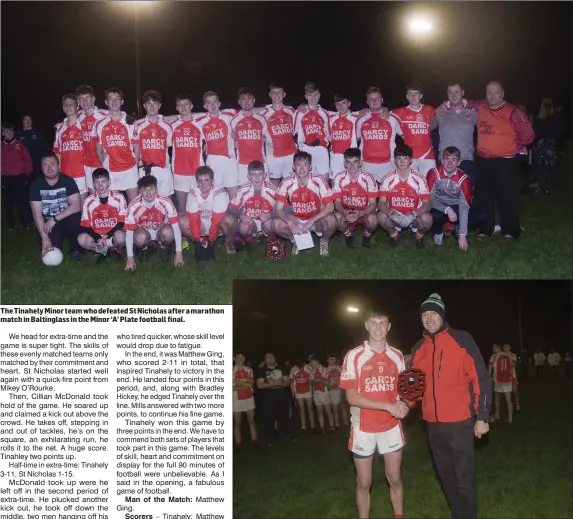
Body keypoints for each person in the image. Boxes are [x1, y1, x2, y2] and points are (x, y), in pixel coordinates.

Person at [409, 293, 491, 519]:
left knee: (464, 479)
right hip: (433, 427)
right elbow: (414, 388)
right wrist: (401, 404)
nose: (429, 318)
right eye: (424, 314)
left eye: (433, 313)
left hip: (460, 423)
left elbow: (480, 378)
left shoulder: (461, 339)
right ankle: (458, 514)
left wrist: (482, 416)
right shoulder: (418, 349)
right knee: (446, 478)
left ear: (442, 316)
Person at [340, 308, 409, 519]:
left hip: (391, 427)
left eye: (382, 323)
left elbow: (404, 391)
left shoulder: (397, 355)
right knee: (364, 481)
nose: (378, 327)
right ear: (366, 325)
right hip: (363, 427)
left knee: (395, 477)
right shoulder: (354, 356)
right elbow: (352, 397)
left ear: (389, 327)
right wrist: (388, 406)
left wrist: (405, 404)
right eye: (373, 322)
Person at [470, 81, 535, 240]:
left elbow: (528, 136)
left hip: (505, 162)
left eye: (496, 92)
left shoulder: (513, 112)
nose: (492, 96)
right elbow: (462, 103)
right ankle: (486, 228)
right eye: (489, 92)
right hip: (484, 161)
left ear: (503, 94)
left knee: (507, 197)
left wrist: (514, 146)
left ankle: (511, 230)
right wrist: (446, 103)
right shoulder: (480, 107)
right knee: (484, 196)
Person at [274, 151, 337, 256]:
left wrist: (311, 221)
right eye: (298, 165)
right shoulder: (286, 183)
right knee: (276, 224)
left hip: (316, 219)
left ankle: (324, 241)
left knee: (332, 220)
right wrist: (290, 223)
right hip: (297, 220)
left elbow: (330, 207)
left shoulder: (318, 181)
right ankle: (296, 241)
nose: (302, 168)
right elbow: (278, 209)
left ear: (310, 167)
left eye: (305, 164)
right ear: (293, 167)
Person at [426, 146, 486, 250]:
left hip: (457, 207)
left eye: (453, 160)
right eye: (447, 159)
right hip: (439, 207)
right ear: (441, 160)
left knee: (481, 216)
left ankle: (457, 228)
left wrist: (462, 235)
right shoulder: (433, 173)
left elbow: (464, 207)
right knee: (433, 215)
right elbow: (430, 199)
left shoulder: (464, 179)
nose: (449, 163)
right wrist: (447, 209)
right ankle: (438, 231)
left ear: (459, 163)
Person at [28, 154, 83, 262]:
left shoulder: (68, 181)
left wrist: (55, 219)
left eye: (52, 164)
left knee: (76, 220)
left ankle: (75, 249)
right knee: (52, 248)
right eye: (45, 165)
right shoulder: (35, 185)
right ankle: (54, 239)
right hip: (47, 222)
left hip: (65, 218)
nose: (49, 168)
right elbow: (37, 215)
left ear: (58, 166)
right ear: (41, 168)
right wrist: (44, 238)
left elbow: (76, 206)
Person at [377, 145, 432, 249]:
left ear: (411, 160)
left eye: (405, 158)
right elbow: (381, 203)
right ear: (395, 160)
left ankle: (419, 236)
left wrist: (413, 215)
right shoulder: (387, 178)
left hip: (413, 217)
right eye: (399, 158)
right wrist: (392, 214)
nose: (402, 161)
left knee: (427, 219)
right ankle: (394, 235)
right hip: (395, 216)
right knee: (381, 216)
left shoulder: (419, 179)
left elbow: (427, 204)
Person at [124, 175, 184, 270]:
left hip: (161, 231)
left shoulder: (166, 202)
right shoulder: (133, 206)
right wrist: (130, 258)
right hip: (144, 232)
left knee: (168, 231)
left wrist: (179, 252)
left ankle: (164, 248)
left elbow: (176, 227)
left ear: (156, 189)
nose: (148, 193)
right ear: (139, 191)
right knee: (139, 237)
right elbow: (129, 232)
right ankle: (144, 249)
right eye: (144, 190)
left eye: (151, 189)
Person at [94, 87, 140, 203]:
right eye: (111, 99)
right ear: (106, 102)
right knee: (115, 205)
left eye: (117, 98)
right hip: (111, 170)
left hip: (129, 169)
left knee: (133, 204)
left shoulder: (130, 121)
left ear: (122, 102)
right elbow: (98, 148)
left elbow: (136, 144)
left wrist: (135, 164)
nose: (114, 102)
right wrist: (104, 164)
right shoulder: (100, 124)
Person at [224, 160, 278, 251]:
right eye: (253, 175)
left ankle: (271, 239)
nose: (257, 178)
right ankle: (248, 238)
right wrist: (242, 216)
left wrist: (270, 215)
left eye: (260, 174)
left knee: (271, 223)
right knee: (243, 227)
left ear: (265, 175)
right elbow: (230, 208)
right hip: (251, 221)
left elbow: (283, 208)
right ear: (249, 176)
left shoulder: (273, 190)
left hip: (266, 220)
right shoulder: (243, 190)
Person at [195, 91, 239, 198]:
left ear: (219, 103)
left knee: (234, 196)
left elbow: (250, 110)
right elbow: (180, 117)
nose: (213, 105)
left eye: (215, 102)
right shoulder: (200, 120)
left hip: (230, 161)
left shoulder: (229, 114)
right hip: (212, 162)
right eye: (209, 103)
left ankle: (234, 214)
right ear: (205, 106)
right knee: (216, 195)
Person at [332, 147, 379, 248]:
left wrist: (360, 214)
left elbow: (373, 204)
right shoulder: (339, 178)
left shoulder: (368, 178)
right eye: (348, 162)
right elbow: (337, 203)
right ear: (344, 164)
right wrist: (345, 212)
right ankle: (348, 234)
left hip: (364, 212)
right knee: (335, 217)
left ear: (360, 163)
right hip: (347, 212)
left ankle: (367, 235)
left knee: (373, 220)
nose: (352, 165)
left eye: (355, 162)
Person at [180, 166, 233, 254]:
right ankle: (201, 240)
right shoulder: (192, 194)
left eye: (206, 180)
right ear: (196, 182)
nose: (203, 184)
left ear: (212, 180)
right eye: (200, 181)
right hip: (202, 223)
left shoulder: (220, 193)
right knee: (182, 221)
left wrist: (212, 239)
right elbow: (194, 220)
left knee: (231, 220)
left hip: (218, 224)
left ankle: (228, 242)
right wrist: (198, 238)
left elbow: (216, 220)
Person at [78, 168, 127, 263]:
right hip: (98, 237)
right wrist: (98, 238)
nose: (100, 185)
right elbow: (86, 226)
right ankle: (103, 251)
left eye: (103, 181)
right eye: (97, 182)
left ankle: (117, 250)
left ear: (109, 183)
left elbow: (122, 222)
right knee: (81, 239)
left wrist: (106, 237)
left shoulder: (119, 198)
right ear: (93, 185)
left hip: (113, 235)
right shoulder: (88, 202)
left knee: (121, 236)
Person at [432, 83, 478, 184]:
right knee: (444, 196)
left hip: (466, 160)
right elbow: (427, 126)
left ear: (462, 92)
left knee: (466, 196)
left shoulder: (473, 111)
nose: (454, 95)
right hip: (445, 160)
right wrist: (435, 111)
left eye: (457, 92)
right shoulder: (441, 111)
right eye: (450, 92)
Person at [133, 90, 174, 198]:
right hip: (145, 170)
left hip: (164, 170)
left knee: (166, 204)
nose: (152, 106)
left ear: (159, 105)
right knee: (146, 205)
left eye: (155, 103)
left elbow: (170, 148)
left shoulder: (167, 127)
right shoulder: (137, 125)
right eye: (149, 103)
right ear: (144, 106)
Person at [356, 87, 403, 182]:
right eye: (371, 99)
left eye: (377, 98)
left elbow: (405, 137)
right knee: (368, 195)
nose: (374, 101)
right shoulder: (361, 120)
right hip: (366, 164)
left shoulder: (392, 118)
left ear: (382, 100)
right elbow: (354, 141)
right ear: (367, 102)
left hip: (388, 164)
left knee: (388, 195)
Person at [390, 82, 437, 177]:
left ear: (421, 96)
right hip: (409, 157)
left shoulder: (430, 110)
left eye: (416, 93)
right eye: (410, 94)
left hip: (428, 156)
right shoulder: (400, 112)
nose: (413, 96)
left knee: (429, 185)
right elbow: (384, 114)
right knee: (411, 186)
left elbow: (443, 111)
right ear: (407, 96)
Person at [170, 93, 205, 214]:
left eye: (186, 104)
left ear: (192, 106)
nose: (183, 107)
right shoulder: (172, 126)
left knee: (198, 207)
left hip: (197, 172)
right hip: (179, 173)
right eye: (180, 105)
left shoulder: (201, 124)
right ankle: (182, 233)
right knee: (182, 208)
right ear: (177, 108)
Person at [259, 83, 297, 186]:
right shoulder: (262, 113)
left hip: (290, 155)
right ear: (270, 95)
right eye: (274, 92)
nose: (276, 95)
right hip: (273, 156)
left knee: (291, 186)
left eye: (279, 92)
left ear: (284, 94)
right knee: (273, 187)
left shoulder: (292, 111)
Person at [230, 87, 268, 187]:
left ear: (254, 100)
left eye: (249, 98)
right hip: (242, 164)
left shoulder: (262, 119)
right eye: (243, 99)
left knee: (265, 195)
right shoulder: (233, 120)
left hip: (261, 162)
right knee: (244, 195)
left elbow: (267, 139)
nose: (247, 101)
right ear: (239, 101)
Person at [293, 82, 331, 183]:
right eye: (310, 95)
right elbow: (293, 133)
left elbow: (329, 135)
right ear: (306, 96)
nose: (313, 98)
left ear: (319, 95)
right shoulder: (299, 112)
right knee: (307, 182)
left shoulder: (325, 113)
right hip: (306, 150)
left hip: (321, 151)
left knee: (324, 183)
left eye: (315, 95)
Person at [53, 94, 87, 202]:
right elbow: (58, 152)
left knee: (82, 206)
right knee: (69, 206)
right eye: (65, 105)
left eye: (71, 104)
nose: (68, 107)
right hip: (65, 173)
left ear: (77, 107)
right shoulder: (60, 128)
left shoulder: (84, 124)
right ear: (63, 107)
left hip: (82, 173)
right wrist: (58, 172)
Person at [75, 85, 108, 195]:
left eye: (87, 97)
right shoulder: (78, 117)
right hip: (88, 164)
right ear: (78, 101)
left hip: (105, 162)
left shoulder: (105, 114)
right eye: (81, 98)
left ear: (93, 99)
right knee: (93, 196)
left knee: (108, 195)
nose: (84, 101)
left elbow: (124, 118)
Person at [256, 352, 292, 446]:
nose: (270, 359)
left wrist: (280, 384)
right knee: (269, 418)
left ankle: (286, 435)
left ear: (275, 359)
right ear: (265, 360)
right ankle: (270, 438)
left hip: (281, 395)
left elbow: (287, 382)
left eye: (272, 357)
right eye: (268, 357)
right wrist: (271, 384)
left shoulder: (281, 369)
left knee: (284, 416)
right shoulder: (262, 370)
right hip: (268, 397)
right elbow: (259, 385)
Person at [2, 121, 32, 230]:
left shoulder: (20, 144)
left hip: (19, 177)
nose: (9, 134)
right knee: (8, 204)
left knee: (21, 202)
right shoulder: (1, 146)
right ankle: (10, 224)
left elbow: (27, 160)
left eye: (11, 132)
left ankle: (22, 222)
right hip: (6, 179)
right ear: (2, 133)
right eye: (6, 132)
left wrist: (26, 174)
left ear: (13, 132)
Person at [532, 98, 559, 195]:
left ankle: (538, 186)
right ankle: (546, 188)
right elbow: (558, 133)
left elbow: (534, 134)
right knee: (549, 167)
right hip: (549, 146)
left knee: (540, 167)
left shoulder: (539, 120)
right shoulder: (554, 119)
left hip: (541, 145)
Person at [328, 93, 358, 179]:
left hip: (351, 158)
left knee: (351, 184)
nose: (341, 106)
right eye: (338, 104)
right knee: (335, 186)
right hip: (335, 157)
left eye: (344, 103)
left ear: (349, 103)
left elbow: (373, 111)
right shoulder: (330, 118)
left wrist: (385, 109)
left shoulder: (357, 117)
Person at [233, 351, 258, 452]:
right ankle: (238, 444)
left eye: (242, 358)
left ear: (244, 359)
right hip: (236, 400)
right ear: (234, 359)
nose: (240, 360)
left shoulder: (249, 370)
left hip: (248, 398)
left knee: (251, 421)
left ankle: (255, 441)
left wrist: (237, 383)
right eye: (238, 358)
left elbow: (251, 384)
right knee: (237, 423)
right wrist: (245, 385)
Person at [16, 115, 49, 182]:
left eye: (29, 119)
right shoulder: (17, 135)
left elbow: (45, 149)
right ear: (22, 121)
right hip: (23, 167)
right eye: (25, 119)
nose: (28, 121)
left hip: (37, 166)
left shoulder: (38, 134)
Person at [309, 355, 335, 434]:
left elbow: (326, 382)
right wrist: (318, 383)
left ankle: (332, 427)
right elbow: (311, 383)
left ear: (316, 362)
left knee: (328, 410)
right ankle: (322, 428)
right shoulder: (312, 371)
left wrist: (317, 383)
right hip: (316, 392)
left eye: (311, 362)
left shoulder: (324, 369)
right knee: (319, 411)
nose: (310, 364)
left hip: (324, 392)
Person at [289, 358, 316, 433]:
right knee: (301, 409)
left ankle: (312, 426)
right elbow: (291, 383)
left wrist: (313, 391)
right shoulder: (293, 369)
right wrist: (293, 394)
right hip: (298, 392)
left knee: (310, 408)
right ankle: (303, 427)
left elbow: (312, 379)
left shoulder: (308, 368)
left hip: (308, 391)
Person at [489, 344, 514, 424]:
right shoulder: (508, 355)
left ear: (497, 348)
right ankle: (510, 418)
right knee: (508, 400)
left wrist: (489, 377)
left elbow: (490, 367)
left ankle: (497, 414)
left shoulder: (494, 356)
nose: (493, 349)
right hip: (507, 380)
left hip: (498, 380)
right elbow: (512, 366)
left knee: (497, 397)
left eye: (493, 348)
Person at [326, 353, 349, 427]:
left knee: (343, 406)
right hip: (332, 389)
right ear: (327, 361)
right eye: (330, 359)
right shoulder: (326, 369)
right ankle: (337, 423)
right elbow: (325, 379)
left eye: (333, 359)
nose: (332, 361)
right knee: (334, 408)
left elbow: (345, 375)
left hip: (340, 389)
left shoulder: (339, 367)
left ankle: (346, 422)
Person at [502, 344, 520, 411]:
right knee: (506, 393)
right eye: (504, 347)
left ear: (510, 347)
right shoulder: (501, 355)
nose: (505, 348)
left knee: (515, 392)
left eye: (507, 346)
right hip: (504, 378)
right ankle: (508, 408)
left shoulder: (513, 355)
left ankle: (518, 406)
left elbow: (513, 364)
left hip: (512, 376)